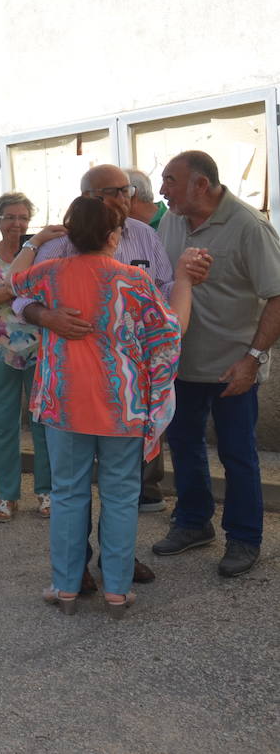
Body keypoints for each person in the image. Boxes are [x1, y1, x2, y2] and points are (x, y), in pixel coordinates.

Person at [8, 197, 195, 615]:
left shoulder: (50, 273)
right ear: (115, 236)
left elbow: (12, 279)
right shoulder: (134, 279)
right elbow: (170, 333)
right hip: (122, 406)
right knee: (122, 496)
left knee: (69, 494)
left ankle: (67, 588)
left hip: (64, 404)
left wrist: (35, 241)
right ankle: (116, 590)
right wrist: (184, 281)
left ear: (70, 236)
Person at [15, 164, 182, 520]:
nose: (124, 199)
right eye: (114, 192)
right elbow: (17, 295)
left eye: (127, 191)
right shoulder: (58, 243)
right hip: (73, 385)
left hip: (128, 383)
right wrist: (44, 316)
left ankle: (113, 560)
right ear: (89, 197)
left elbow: (165, 289)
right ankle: (83, 565)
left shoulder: (144, 235)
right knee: (75, 490)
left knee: (122, 492)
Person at [152, 149, 280, 577]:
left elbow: (277, 295)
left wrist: (254, 358)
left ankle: (244, 538)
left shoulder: (248, 226)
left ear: (200, 185)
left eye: (171, 180)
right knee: (184, 447)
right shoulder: (171, 220)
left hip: (232, 369)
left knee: (237, 453)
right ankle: (193, 522)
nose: (163, 189)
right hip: (180, 366)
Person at [0, 192, 50, 522]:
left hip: (39, 350)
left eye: (22, 218)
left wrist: (2, 292)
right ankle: (8, 496)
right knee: (1, 427)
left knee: (44, 424)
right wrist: (17, 288)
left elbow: (50, 294)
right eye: (10, 217)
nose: (17, 223)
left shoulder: (43, 254)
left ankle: (46, 492)